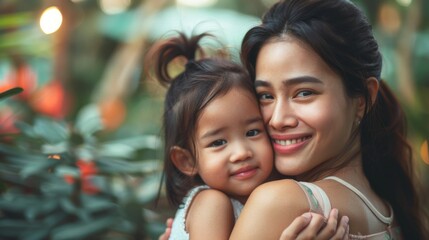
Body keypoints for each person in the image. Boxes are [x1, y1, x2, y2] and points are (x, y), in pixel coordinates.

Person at [228, 0, 429, 239]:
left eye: (304, 93)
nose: (278, 119)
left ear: (363, 100)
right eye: (266, 96)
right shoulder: (389, 211)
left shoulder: (278, 203)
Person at [149, 32, 349, 240]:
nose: (242, 153)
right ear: (186, 160)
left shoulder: (277, 190)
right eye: (218, 142)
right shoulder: (212, 203)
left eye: (252, 132)